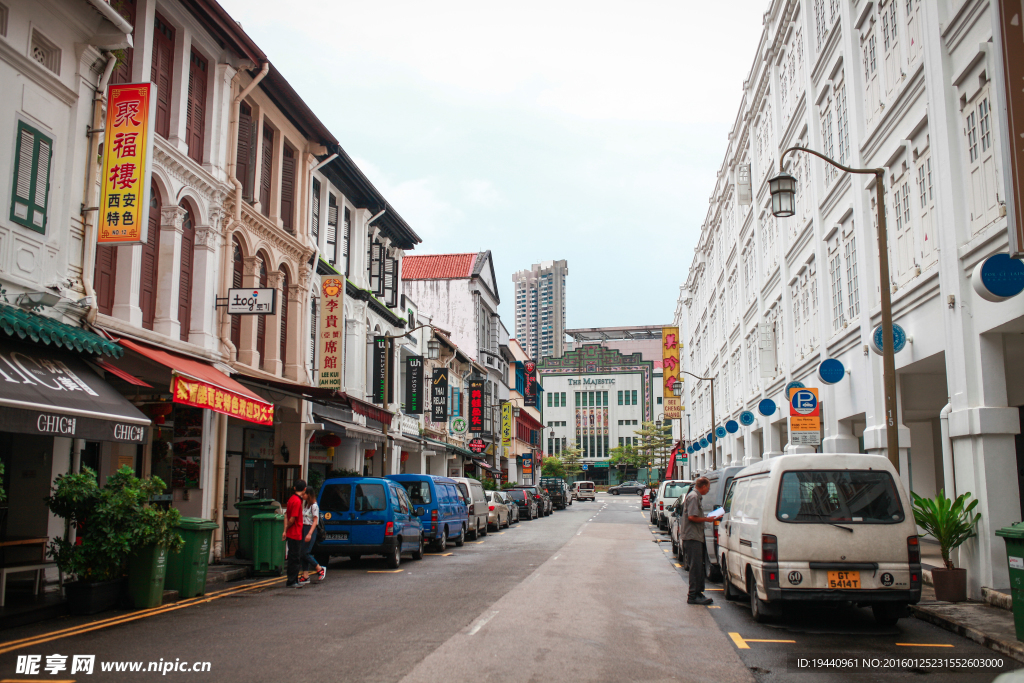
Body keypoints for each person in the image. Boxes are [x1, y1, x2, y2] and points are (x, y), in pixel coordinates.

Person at [681, 476, 720, 605]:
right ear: (702, 486)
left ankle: (698, 593)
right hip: (692, 537)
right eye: (708, 488)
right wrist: (707, 519)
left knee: (699, 566)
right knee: (695, 566)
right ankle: (693, 595)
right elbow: (692, 517)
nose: (708, 491)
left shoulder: (695, 496)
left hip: (696, 536)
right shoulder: (693, 497)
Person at [283, 479, 306, 588]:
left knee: (293, 557)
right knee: (295, 558)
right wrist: (287, 528)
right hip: (295, 533)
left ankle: (293, 579)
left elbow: (286, 516)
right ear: (304, 489)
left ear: (294, 488)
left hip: (291, 533)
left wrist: (285, 530)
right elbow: (292, 519)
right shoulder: (297, 501)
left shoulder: (291, 499)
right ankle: (292, 581)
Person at [299, 486, 325, 584]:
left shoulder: (314, 506)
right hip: (304, 528)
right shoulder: (306, 505)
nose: (302, 496)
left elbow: (315, 521)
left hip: (310, 529)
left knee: (306, 552)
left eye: (304, 494)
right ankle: (305, 575)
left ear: (309, 494)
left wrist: (309, 533)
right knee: (303, 553)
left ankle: (319, 568)